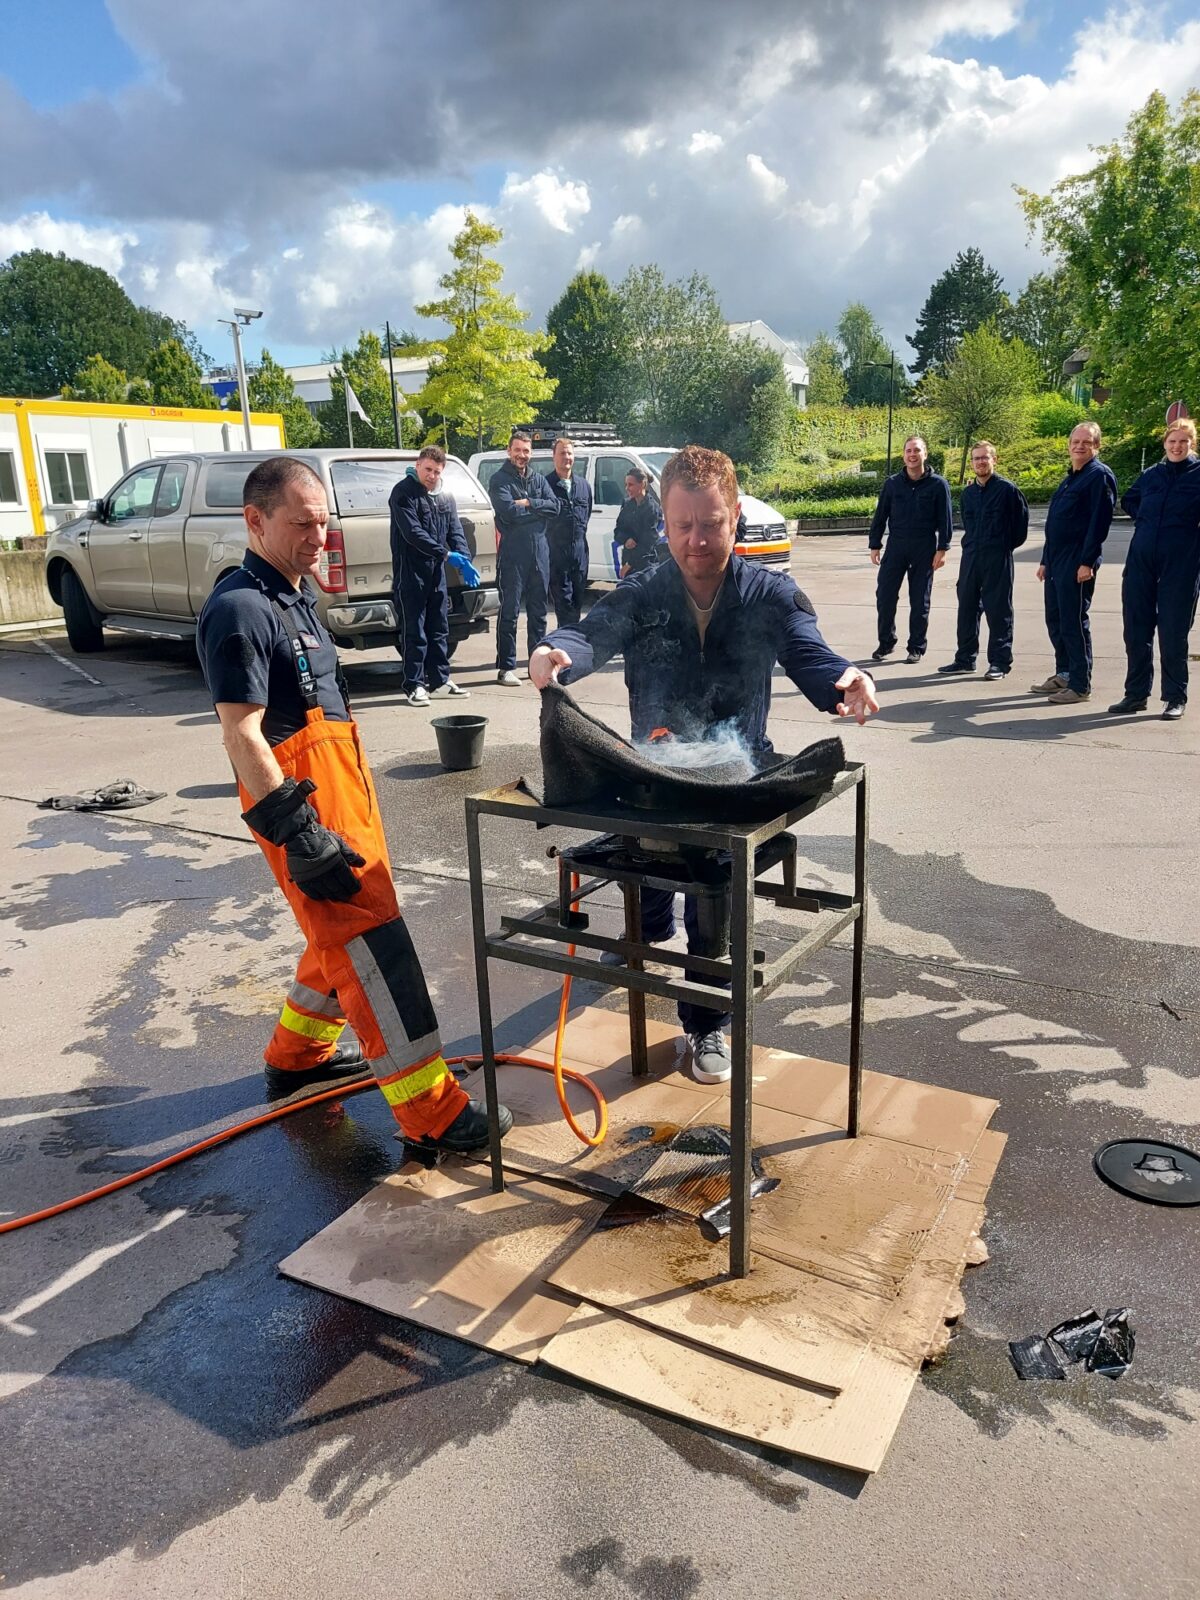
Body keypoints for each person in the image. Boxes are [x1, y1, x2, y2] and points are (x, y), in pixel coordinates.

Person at [529, 444, 877, 1085]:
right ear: (664, 521)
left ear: (735, 516)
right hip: (655, 771)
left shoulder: (769, 593)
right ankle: (648, 922)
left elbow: (810, 652)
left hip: (734, 777)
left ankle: (707, 1021)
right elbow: (591, 633)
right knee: (650, 876)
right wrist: (555, 650)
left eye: (711, 524)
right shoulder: (643, 592)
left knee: (711, 892)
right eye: (682, 525)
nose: (696, 541)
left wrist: (845, 678)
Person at [196, 456, 509, 1152]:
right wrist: (299, 833)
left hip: (341, 797)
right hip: (305, 811)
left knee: (334, 939)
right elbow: (242, 732)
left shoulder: (293, 595)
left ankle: (295, 1059)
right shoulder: (241, 608)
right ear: (255, 521)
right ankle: (432, 1113)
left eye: (323, 523)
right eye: (302, 524)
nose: (319, 537)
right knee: (374, 948)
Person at [1109, 418, 1200, 722]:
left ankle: (1175, 696)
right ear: (1165, 443)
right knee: (1136, 630)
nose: (1177, 446)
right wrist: (1147, 522)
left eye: (1183, 441)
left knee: (1173, 632)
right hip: (1141, 561)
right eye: (1172, 441)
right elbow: (1130, 500)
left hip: (1181, 564)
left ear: (1192, 444)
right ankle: (1136, 694)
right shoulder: (1152, 474)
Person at [1030, 422, 1116, 705]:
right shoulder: (1071, 477)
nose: (1080, 446)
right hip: (1056, 561)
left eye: (1086, 442)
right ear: (1069, 445)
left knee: (1073, 621)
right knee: (1055, 619)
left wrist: (1087, 562)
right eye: (1075, 442)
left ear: (1096, 446)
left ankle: (1080, 685)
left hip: (1077, 561)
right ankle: (1064, 674)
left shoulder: (1099, 476)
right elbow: (1055, 524)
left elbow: (1099, 523)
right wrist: (1045, 560)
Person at [388, 445, 480, 706]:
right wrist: (447, 555)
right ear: (418, 465)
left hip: (436, 572)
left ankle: (440, 681)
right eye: (428, 469)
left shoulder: (444, 496)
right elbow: (413, 533)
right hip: (411, 572)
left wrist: (464, 559)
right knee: (414, 630)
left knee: (439, 627)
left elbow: (454, 529)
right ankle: (414, 685)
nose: (431, 475)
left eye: (437, 471)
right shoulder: (403, 493)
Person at [937, 441, 1029, 681]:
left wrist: (1001, 546)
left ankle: (999, 662)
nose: (980, 462)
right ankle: (965, 659)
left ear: (994, 460)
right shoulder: (968, 494)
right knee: (966, 608)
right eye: (976, 458)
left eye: (984, 458)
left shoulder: (1008, 490)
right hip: (971, 557)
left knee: (998, 610)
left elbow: (1020, 529)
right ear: (972, 463)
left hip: (997, 557)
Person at [869, 436, 953, 664]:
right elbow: (881, 515)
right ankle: (886, 642)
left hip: (924, 547)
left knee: (920, 600)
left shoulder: (938, 485)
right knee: (885, 596)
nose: (912, 455)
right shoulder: (892, 484)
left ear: (925, 454)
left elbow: (945, 519)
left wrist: (942, 549)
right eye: (908, 451)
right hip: (896, 546)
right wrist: (875, 544)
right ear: (903, 455)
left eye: (917, 450)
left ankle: (916, 646)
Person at [490, 431, 560, 686]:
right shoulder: (499, 480)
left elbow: (555, 507)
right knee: (509, 612)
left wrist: (529, 503)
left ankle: (535, 665)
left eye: (526, 451)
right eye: (518, 450)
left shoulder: (538, 479)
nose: (522, 455)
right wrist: (538, 509)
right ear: (509, 451)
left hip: (540, 553)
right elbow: (508, 512)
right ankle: (506, 667)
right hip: (513, 555)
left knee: (539, 612)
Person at [545, 435, 593, 627]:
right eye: (562, 453)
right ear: (554, 456)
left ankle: (570, 639)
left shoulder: (583, 485)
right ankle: (566, 638)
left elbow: (586, 515)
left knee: (577, 603)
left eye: (570, 453)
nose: (567, 457)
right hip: (557, 554)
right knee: (564, 605)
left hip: (579, 554)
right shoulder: (545, 485)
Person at [614, 468, 662, 577]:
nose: (627, 488)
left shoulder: (652, 508)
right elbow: (618, 530)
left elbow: (648, 542)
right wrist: (626, 539)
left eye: (631, 485)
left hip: (646, 563)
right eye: (626, 485)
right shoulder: (627, 504)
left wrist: (629, 565)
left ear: (642, 485)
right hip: (628, 558)